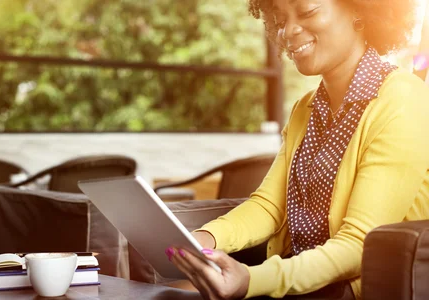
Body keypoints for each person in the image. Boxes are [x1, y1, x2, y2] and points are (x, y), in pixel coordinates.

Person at [165, 0, 429, 299]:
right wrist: (201, 241)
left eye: (307, 12)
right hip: (298, 283)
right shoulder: (305, 108)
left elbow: (360, 245)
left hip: (350, 290)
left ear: (360, 10)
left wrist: (251, 280)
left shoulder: (403, 99)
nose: (287, 31)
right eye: (279, 20)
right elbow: (269, 207)